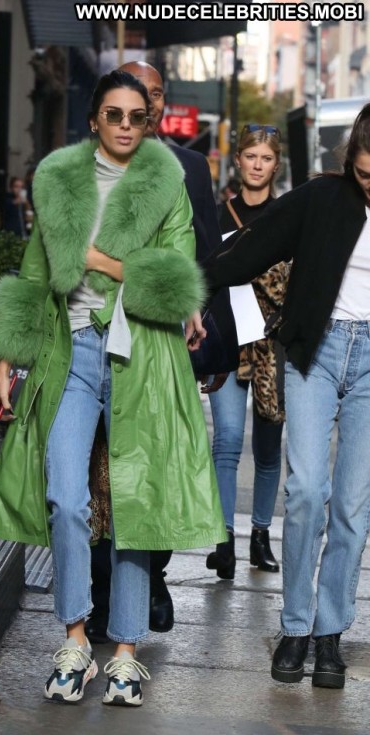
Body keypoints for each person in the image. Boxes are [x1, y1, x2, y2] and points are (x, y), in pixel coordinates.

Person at [0, 70, 226, 706]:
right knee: (65, 498)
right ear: (93, 119)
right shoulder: (60, 178)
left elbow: (174, 284)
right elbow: (33, 274)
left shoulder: (165, 181)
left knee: (135, 505)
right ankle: (74, 641)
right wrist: (6, 360)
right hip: (71, 353)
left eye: (136, 116)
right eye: (113, 114)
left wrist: (95, 260)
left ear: (149, 123)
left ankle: (125, 653)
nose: (124, 125)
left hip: (143, 356)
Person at [207, 103, 370, 690]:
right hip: (315, 352)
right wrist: (188, 283)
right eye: (365, 173)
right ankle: (295, 626)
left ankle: (330, 633)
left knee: (352, 507)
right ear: (350, 160)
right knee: (305, 493)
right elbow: (255, 247)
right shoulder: (323, 197)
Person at [86, 60, 238, 643]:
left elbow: (207, 258)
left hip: (165, 342)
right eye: (133, 95)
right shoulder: (89, 165)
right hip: (101, 343)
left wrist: (214, 345)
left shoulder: (189, 166)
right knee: (100, 477)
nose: (143, 107)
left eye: (152, 96)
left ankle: (154, 579)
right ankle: (105, 593)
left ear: (161, 104)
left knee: (156, 469)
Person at [206, 124, 288, 580]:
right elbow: (203, 278)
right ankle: (224, 541)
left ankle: (260, 535)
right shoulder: (216, 216)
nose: (258, 165)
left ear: (276, 165)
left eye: (266, 158)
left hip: (273, 345)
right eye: (251, 156)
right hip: (226, 341)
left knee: (269, 446)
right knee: (227, 440)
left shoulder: (287, 216)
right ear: (237, 160)